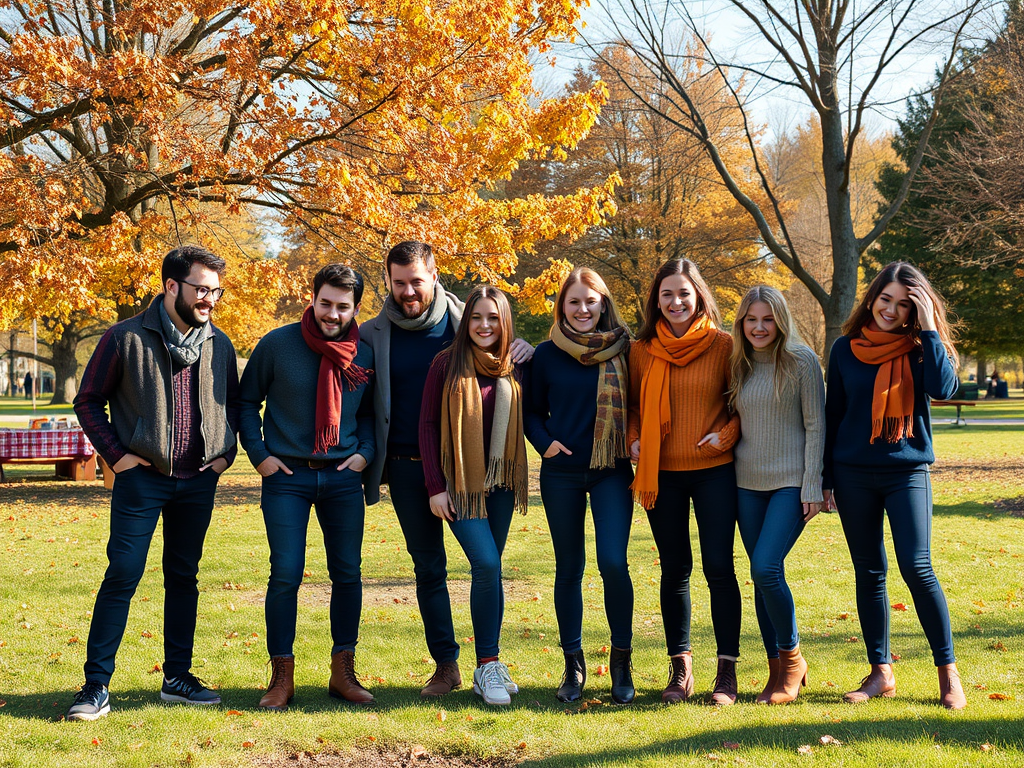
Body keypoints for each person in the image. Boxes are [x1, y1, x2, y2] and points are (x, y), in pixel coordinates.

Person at [67, 245, 239, 721]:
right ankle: (96, 686)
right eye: (201, 289)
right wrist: (118, 457)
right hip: (141, 480)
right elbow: (88, 401)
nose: (210, 299)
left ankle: (177, 679)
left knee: (184, 577)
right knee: (123, 573)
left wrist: (224, 457)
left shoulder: (219, 345)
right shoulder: (123, 338)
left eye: (215, 290)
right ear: (171, 286)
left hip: (199, 482)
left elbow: (235, 405)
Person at [360, 241, 532, 696]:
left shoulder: (466, 321)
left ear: (434, 276)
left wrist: (525, 348)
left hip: (472, 472)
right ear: (389, 281)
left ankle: (489, 664)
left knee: (487, 564)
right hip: (407, 468)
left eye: (417, 280)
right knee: (429, 569)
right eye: (399, 282)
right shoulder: (373, 333)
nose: (409, 290)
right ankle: (447, 665)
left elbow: (504, 354)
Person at [823, 261, 964, 709]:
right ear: (872, 298)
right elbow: (833, 415)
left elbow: (943, 390)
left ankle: (948, 673)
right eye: (886, 299)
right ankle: (880, 672)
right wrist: (826, 478)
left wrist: (928, 330)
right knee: (869, 572)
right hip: (852, 474)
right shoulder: (845, 349)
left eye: (904, 305)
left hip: (907, 472)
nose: (891, 310)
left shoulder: (921, 348)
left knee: (917, 568)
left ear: (914, 310)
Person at [238, 264, 376, 709]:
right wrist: (260, 456)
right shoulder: (277, 344)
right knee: (285, 573)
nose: (332, 313)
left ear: (355, 307)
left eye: (342, 306)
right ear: (312, 297)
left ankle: (343, 672)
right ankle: (281, 677)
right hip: (287, 479)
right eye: (325, 303)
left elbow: (374, 411)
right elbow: (245, 402)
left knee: (348, 573)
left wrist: (364, 453)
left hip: (342, 478)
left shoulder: (365, 351)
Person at [627, 258, 741, 705]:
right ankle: (680, 671)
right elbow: (635, 406)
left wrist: (726, 436)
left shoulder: (724, 345)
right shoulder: (641, 350)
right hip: (662, 475)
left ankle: (726, 673)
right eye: (667, 294)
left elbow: (739, 405)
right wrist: (635, 438)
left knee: (718, 568)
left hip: (715, 471)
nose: (676, 302)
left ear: (698, 297)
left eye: (684, 293)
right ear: (656, 300)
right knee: (675, 571)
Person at [525, 267, 636, 704]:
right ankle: (573, 666)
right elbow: (532, 411)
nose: (583, 309)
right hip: (562, 473)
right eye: (574, 301)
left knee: (613, 562)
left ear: (603, 303)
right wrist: (546, 444)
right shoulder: (544, 354)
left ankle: (622, 664)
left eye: (591, 301)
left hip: (611, 470)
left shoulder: (626, 350)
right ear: (562, 306)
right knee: (568, 568)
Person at [419, 285, 528, 706]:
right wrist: (435, 487)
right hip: (461, 486)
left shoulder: (516, 364)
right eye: (477, 318)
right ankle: (487, 666)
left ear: (504, 322)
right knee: (485, 563)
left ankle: (491, 665)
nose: (484, 326)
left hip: (499, 484)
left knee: (492, 570)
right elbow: (427, 426)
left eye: (493, 318)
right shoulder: (446, 364)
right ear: (467, 322)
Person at [728, 286, 825, 705]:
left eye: (767, 319)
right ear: (742, 323)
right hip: (746, 484)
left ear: (780, 321)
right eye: (752, 319)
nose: (759, 327)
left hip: (791, 483)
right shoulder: (739, 363)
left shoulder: (801, 361)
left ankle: (792, 660)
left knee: (767, 568)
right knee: (761, 576)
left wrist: (811, 484)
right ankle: (774, 672)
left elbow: (816, 426)